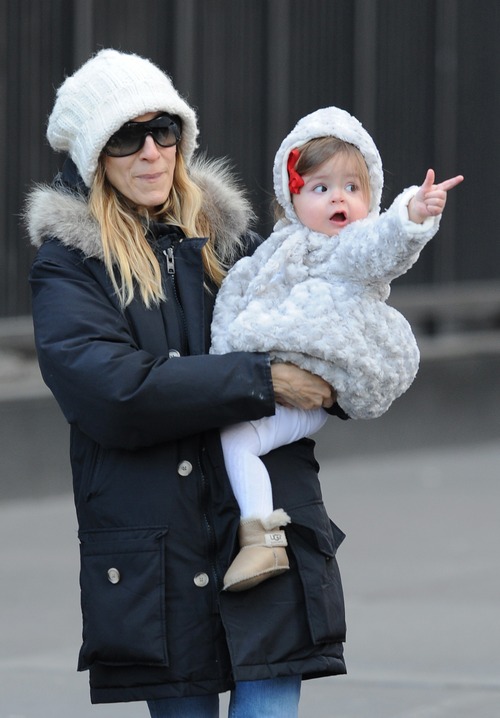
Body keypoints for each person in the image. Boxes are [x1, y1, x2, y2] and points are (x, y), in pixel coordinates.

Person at [25, 49, 348, 718]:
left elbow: (321, 327)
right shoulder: (69, 268)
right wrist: (264, 380)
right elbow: (114, 393)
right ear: (93, 155)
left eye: (164, 130)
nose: (151, 152)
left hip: (265, 532)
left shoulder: (232, 241)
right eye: (126, 136)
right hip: (159, 555)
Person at [210, 106, 463, 592]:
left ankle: (261, 539)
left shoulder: (348, 248)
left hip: (314, 380)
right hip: (269, 376)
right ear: (292, 196)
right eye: (320, 188)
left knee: (236, 439)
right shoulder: (272, 251)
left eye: (352, 188)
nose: (337, 200)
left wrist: (412, 214)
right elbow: (234, 300)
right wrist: (228, 365)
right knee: (233, 435)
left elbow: (383, 245)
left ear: (370, 198)